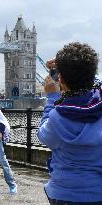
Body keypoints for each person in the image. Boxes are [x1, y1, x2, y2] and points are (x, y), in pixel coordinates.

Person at [38, 42, 102, 204]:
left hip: (64, 193)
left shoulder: (57, 117)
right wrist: (74, 66)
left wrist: (52, 97)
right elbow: (91, 79)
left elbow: (43, 135)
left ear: (61, 79)